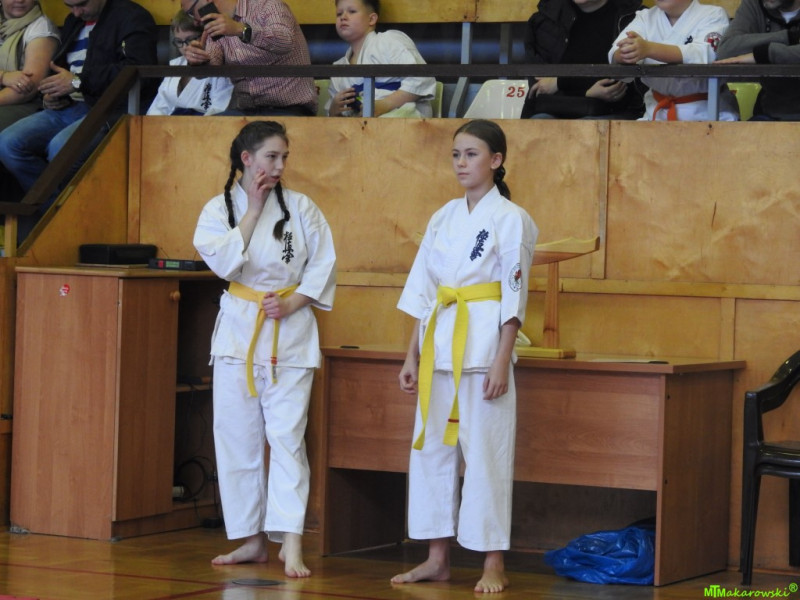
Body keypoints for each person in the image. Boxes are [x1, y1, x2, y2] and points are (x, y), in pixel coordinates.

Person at [391, 119, 538, 594]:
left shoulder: (512, 218)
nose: (461, 163)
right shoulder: (443, 216)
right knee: (432, 452)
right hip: (438, 349)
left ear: (496, 160)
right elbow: (424, 292)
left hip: (482, 351)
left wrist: (502, 358)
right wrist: (411, 356)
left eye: (471, 154)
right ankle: (437, 557)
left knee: (486, 455)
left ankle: (493, 561)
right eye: (456, 154)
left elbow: (514, 294)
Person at [193, 121, 336, 577]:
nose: (278, 166)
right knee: (237, 439)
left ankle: (290, 541)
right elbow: (222, 263)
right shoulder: (218, 209)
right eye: (271, 157)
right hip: (239, 331)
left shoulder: (302, 208)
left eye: (284, 158)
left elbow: (324, 264)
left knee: (288, 438)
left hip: (289, 331)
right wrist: (253, 210)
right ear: (246, 159)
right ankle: (251, 539)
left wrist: (293, 302)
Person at [0, 0, 157, 199]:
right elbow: (60, 69)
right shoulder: (74, 21)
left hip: (111, 107)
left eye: (81, 5)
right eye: (70, 6)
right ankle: (51, 209)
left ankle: (66, 210)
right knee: (8, 143)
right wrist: (52, 93)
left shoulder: (131, 17)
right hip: (70, 105)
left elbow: (137, 71)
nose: (75, 12)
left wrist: (78, 82)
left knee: (61, 148)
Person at [180, 0, 317, 116]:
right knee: (209, 129)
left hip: (290, 109)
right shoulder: (213, 27)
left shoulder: (268, 5)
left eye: (191, 13)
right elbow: (212, 65)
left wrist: (242, 30)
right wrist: (198, 60)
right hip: (247, 111)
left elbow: (285, 42)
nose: (195, 22)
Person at [608, 0, 739, 120]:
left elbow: (705, 54)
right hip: (656, 113)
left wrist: (649, 49)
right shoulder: (645, 17)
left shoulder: (714, 15)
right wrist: (627, 51)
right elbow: (616, 52)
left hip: (708, 114)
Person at [521, 0, 646, 120]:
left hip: (614, 113)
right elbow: (540, 87)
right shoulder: (546, 18)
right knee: (540, 122)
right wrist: (586, 93)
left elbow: (620, 83)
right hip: (553, 111)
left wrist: (559, 82)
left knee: (592, 127)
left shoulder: (633, 16)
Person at [327, 0, 436, 118]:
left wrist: (385, 104)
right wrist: (334, 112)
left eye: (352, 11)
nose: (343, 17)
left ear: (371, 19)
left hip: (405, 119)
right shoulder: (338, 69)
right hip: (360, 126)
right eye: (339, 14)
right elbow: (338, 120)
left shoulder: (389, 41)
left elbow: (421, 77)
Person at [715, 0, 800, 120]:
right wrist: (790, 37)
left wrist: (764, 54)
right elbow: (727, 50)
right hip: (771, 112)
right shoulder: (753, 4)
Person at [146, 10, 233, 116]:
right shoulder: (175, 65)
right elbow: (159, 106)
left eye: (190, 39)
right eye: (179, 41)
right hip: (167, 124)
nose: (184, 47)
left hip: (203, 124)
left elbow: (219, 108)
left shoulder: (219, 66)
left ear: (206, 36)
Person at [0, 0, 59, 132]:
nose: (20, 0)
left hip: (24, 104)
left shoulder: (41, 27)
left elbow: (28, 89)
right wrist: (3, 76)